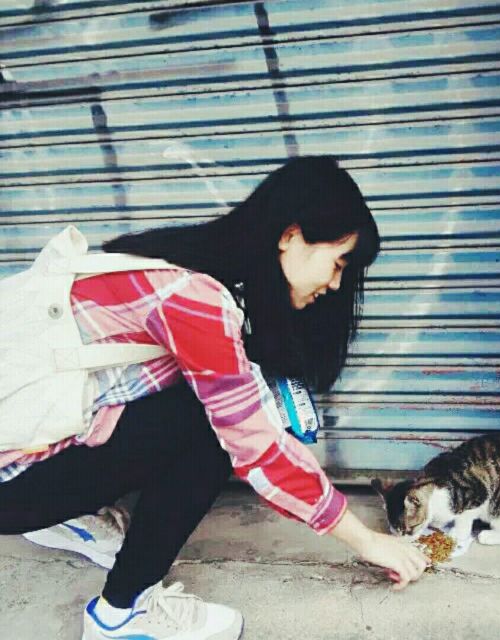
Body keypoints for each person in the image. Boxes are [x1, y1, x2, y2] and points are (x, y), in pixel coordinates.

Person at [0, 156, 427, 640]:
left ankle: (66, 515)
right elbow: (257, 449)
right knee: (215, 427)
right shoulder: (197, 300)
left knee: (204, 400)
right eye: (338, 264)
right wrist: (366, 540)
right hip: (11, 485)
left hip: (20, 446)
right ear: (290, 236)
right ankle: (120, 614)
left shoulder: (173, 265)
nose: (335, 285)